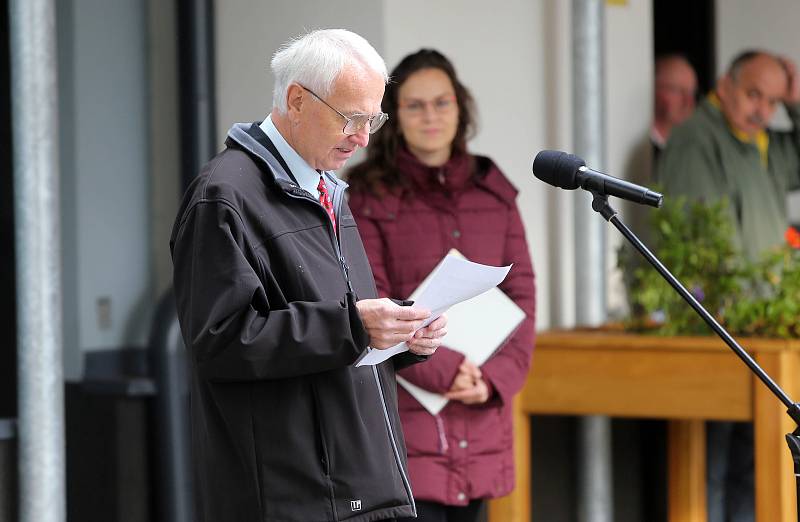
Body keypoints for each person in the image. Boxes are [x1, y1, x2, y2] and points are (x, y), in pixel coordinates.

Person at [170, 29, 448, 522]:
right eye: (351, 118)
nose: (363, 138)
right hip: (296, 497)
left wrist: (399, 336)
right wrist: (354, 326)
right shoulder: (224, 197)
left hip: (362, 488)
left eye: (373, 119)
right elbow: (219, 341)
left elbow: (335, 330)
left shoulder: (326, 191)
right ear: (297, 100)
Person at [346, 49, 536, 522]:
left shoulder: (494, 192)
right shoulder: (368, 197)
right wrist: (444, 371)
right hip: (409, 416)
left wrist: (495, 380)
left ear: (460, 107)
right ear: (394, 117)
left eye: (442, 102)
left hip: (482, 412)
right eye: (415, 105)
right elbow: (373, 302)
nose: (431, 115)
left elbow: (523, 295)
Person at [657, 49, 800, 522]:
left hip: (765, 330)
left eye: (774, 102)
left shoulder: (766, 144)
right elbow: (705, 241)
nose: (762, 110)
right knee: (711, 466)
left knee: (754, 462)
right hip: (720, 327)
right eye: (754, 94)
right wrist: (730, 313)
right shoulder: (698, 138)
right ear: (725, 84)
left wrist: (795, 104)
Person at [651, 54, 698, 162]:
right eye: (677, 90)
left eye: (692, 93)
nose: (688, 101)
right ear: (653, 87)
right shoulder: (642, 151)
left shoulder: (695, 151)